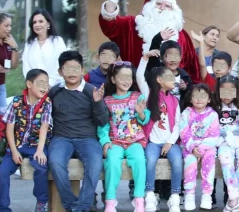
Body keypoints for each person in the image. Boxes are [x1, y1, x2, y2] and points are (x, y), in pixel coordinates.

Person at [99, 0, 200, 82]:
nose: (162, 8)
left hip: (171, 91)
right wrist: (111, 2)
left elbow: (192, 68)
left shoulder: (182, 35)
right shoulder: (132, 24)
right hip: (135, 87)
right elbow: (109, 26)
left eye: (168, 6)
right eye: (159, 4)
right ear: (149, 6)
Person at [47, 51, 108, 211]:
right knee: (55, 161)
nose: (72, 73)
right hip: (61, 138)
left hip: (87, 138)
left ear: (82, 70)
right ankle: (70, 204)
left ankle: (82, 206)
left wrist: (97, 103)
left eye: (76, 68)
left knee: (95, 163)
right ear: (60, 72)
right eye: (68, 69)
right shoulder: (54, 92)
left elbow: (102, 121)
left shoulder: (91, 91)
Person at [0, 69, 52, 212]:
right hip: (17, 145)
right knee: (2, 173)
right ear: (29, 83)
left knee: (41, 166)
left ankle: (41, 202)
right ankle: (3, 208)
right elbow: (9, 128)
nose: (44, 86)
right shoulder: (16, 101)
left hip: (35, 145)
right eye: (41, 82)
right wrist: (14, 152)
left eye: (46, 83)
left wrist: (40, 150)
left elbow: (45, 127)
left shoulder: (46, 103)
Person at [97, 62, 150, 212]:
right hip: (115, 142)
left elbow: (145, 119)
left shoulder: (137, 97)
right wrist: (105, 141)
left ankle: (139, 200)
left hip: (135, 141)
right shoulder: (107, 101)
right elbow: (103, 125)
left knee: (140, 161)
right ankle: (110, 201)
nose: (127, 81)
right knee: (112, 162)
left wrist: (140, 113)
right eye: (122, 77)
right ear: (113, 79)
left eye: (129, 77)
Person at [136, 53, 183, 212]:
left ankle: (175, 197)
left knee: (177, 161)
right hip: (153, 142)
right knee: (149, 161)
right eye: (169, 77)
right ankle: (149, 194)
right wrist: (144, 58)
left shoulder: (175, 101)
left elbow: (178, 124)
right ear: (159, 80)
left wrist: (170, 142)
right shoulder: (149, 94)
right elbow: (139, 76)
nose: (173, 79)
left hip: (170, 141)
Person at [179, 84, 220, 211]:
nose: (199, 99)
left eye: (203, 96)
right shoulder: (186, 113)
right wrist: (192, 147)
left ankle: (207, 195)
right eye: (196, 96)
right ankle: (189, 194)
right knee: (190, 163)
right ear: (191, 99)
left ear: (209, 99)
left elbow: (214, 134)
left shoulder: (213, 115)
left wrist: (201, 149)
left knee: (209, 160)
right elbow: (184, 131)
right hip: (190, 146)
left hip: (207, 147)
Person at [215, 75, 239, 212]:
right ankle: (235, 198)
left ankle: (233, 201)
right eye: (223, 91)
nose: (226, 95)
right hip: (224, 142)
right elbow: (213, 130)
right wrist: (223, 138)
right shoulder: (215, 108)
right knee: (226, 161)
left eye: (230, 91)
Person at [22, 9, 67, 87]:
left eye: (41, 21)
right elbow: (26, 67)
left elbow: (61, 65)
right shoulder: (29, 44)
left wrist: (48, 84)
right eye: (34, 22)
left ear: (48, 24)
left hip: (55, 87)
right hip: (34, 88)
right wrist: (33, 84)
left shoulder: (57, 41)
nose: (37, 24)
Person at [0, 12, 19, 116]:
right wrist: (5, 70)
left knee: (1, 119)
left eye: (10, 25)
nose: (9, 29)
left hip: (1, 86)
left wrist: (15, 47)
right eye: (6, 25)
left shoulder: (7, 41)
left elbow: (14, 65)